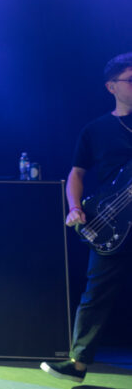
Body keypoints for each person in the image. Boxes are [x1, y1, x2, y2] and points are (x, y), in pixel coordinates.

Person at [41, 52, 132, 383]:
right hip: (112, 222)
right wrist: (75, 207)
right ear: (111, 86)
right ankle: (77, 364)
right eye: (131, 80)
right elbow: (76, 174)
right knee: (97, 293)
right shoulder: (96, 130)